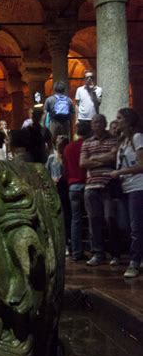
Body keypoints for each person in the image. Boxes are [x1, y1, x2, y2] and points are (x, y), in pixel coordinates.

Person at [79, 114, 119, 266]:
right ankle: (98, 253)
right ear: (91, 125)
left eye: (100, 122)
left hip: (108, 184)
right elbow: (82, 163)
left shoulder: (113, 139)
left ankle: (115, 253)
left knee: (110, 219)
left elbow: (114, 157)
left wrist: (94, 159)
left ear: (105, 123)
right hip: (91, 185)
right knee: (93, 220)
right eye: (95, 122)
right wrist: (104, 158)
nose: (97, 125)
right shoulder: (87, 143)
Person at [109, 108, 143, 279]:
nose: (117, 121)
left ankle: (134, 262)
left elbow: (141, 165)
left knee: (135, 227)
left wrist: (120, 173)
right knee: (124, 224)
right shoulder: (122, 142)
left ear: (128, 121)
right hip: (124, 187)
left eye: (120, 118)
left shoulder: (137, 138)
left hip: (137, 186)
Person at [63, 120, 91, 261]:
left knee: (76, 220)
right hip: (87, 183)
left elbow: (66, 169)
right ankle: (93, 250)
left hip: (73, 186)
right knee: (92, 219)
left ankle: (77, 251)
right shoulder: (88, 146)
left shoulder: (68, 148)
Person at [46, 135, 71, 253]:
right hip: (55, 189)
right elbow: (46, 173)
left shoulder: (67, 157)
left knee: (66, 215)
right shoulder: (52, 158)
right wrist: (52, 180)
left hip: (65, 188)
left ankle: (67, 242)